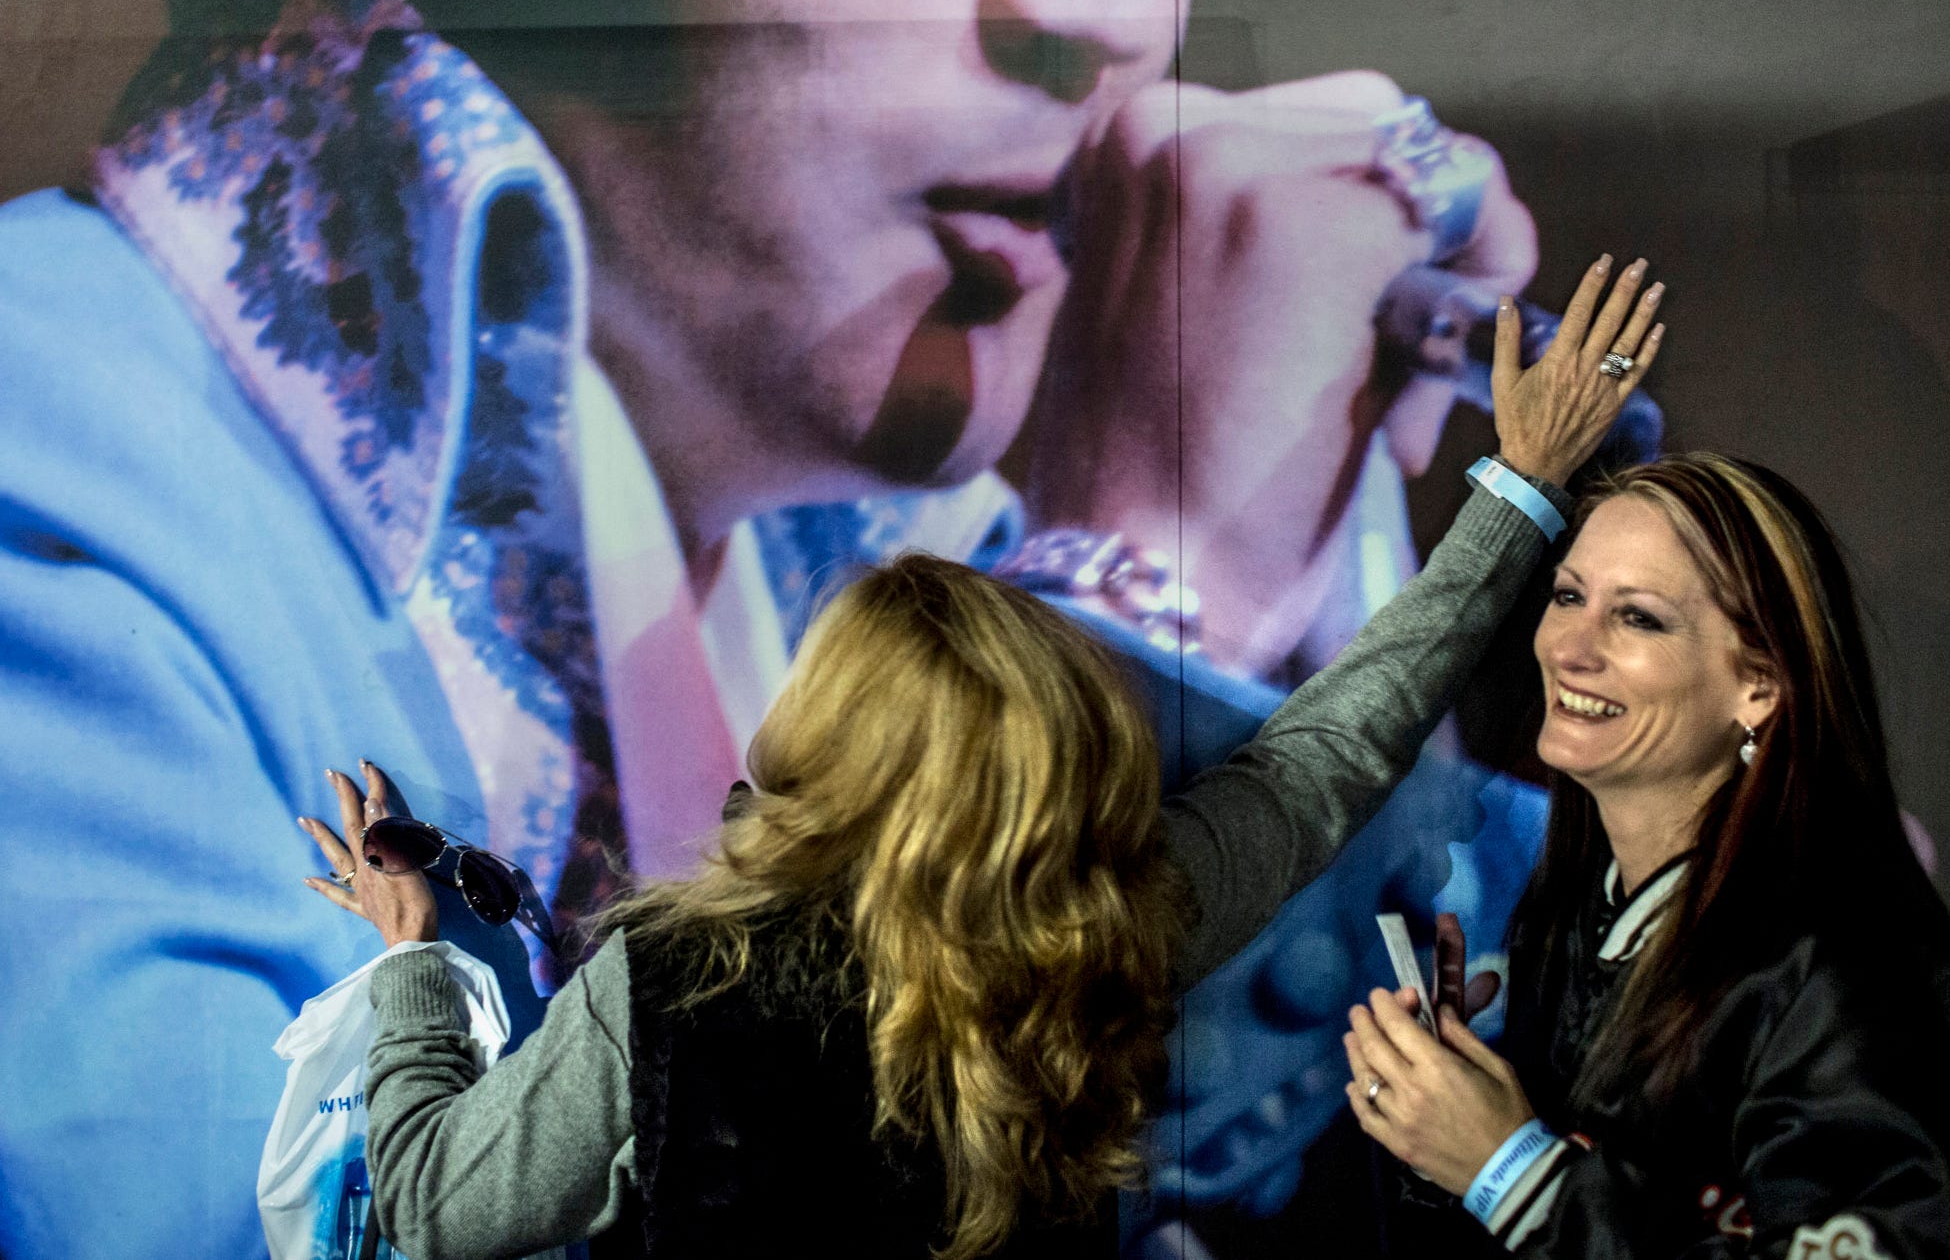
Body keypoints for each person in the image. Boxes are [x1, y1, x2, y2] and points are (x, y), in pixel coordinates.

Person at [0, 0, 1544, 1254]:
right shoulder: (49, 462)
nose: (1113, 3)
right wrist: (1158, 621)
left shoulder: (875, 537)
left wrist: (1340, 581)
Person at [294, 257, 1663, 1259]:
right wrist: (1521, 484)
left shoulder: (669, 976)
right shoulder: (1107, 925)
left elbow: (433, 1205)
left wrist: (415, 959)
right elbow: (1336, 745)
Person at [1343, 452, 1950, 1256]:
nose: (1569, 646)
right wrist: (1447, 1130)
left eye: (1638, 617)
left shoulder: (1847, 957)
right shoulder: (1570, 911)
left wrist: (1513, 1170)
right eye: (1568, 595)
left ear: (1760, 686)